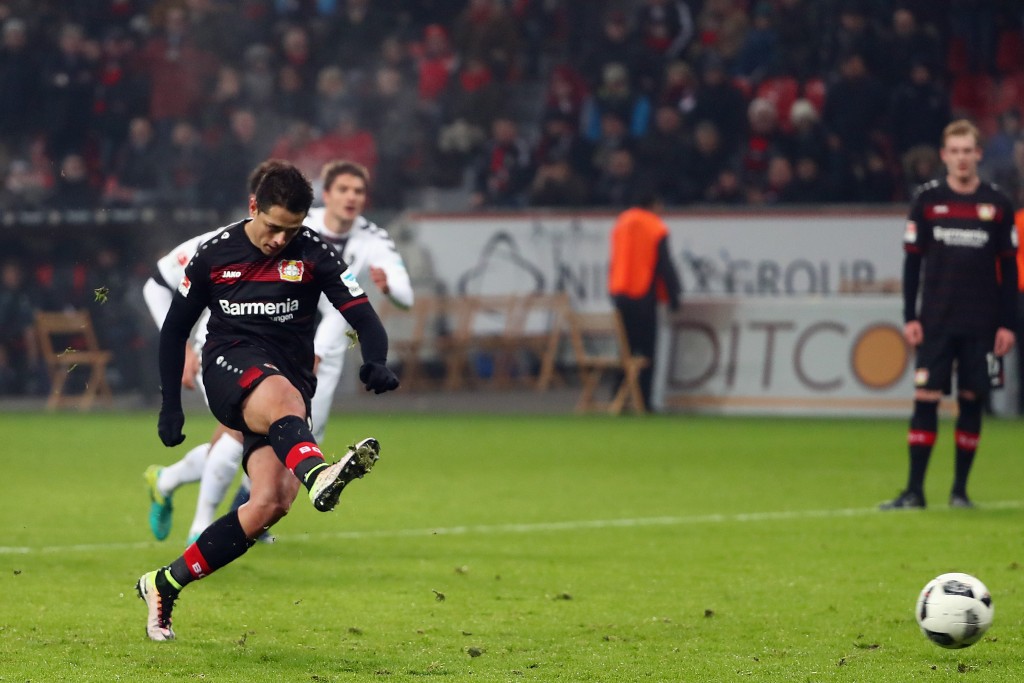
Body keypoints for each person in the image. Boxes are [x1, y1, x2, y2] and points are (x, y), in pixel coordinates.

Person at [136, 162, 399, 641]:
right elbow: (175, 331)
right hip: (228, 366)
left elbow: (362, 311)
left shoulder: (313, 251)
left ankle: (163, 583)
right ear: (253, 207)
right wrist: (169, 404)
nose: (280, 239)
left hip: (289, 377)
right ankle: (321, 474)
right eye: (274, 226)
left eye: (292, 229)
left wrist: (375, 360)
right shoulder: (213, 253)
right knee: (280, 396)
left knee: (271, 503)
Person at [142, 161, 283, 546]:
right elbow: (155, 284)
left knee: (254, 437)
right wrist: (183, 346)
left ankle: (167, 480)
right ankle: (201, 533)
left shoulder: (295, 249)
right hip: (219, 354)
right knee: (244, 433)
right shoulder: (214, 245)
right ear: (255, 204)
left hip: (270, 359)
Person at [881, 119, 1018, 510]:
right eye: (953, 151)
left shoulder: (998, 203)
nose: (961, 158)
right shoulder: (926, 202)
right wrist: (910, 316)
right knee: (925, 398)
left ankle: (960, 491)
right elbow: (912, 265)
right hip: (936, 320)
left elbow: (1009, 270)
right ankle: (915, 491)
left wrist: (1008, 323)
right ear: (944, 156)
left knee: (972, 400)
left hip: (983, 323)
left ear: (978, 154)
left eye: (967, 151)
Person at [306, 160, 414, 444]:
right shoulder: (301, 224)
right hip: (283, 328)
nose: (351, 196)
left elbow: (406, 297)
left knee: (309, 433)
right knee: (247, 436)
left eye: (358, 191)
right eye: (343, 189)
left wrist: (389, 286)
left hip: (328, 344)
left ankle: (248, 491)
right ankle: (175, 478)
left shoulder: (374, 238)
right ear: (327, 194)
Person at [607, 191, 682, 411]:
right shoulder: (655, 227)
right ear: (655, 204)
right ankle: (644, 401)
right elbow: (664, 265)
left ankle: (618, 398)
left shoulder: (621, 223)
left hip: (619, 292)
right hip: (642, 294)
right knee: (647, 351)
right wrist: (674, 296)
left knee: (625, 349)